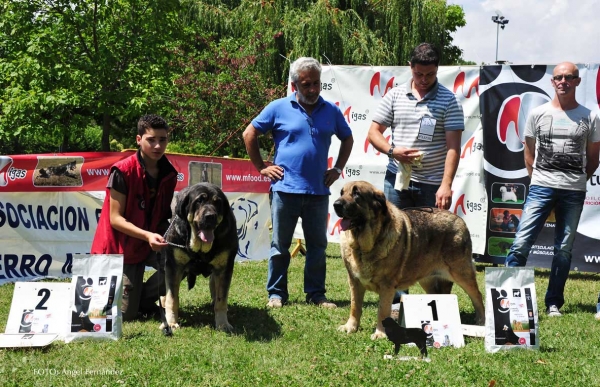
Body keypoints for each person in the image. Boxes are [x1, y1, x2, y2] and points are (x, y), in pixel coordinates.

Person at [243, 57, 354, 309]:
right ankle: (276, 294)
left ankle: (316, 294)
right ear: (295, 85)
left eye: (317, 83)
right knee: (280, 245)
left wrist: (337, 168)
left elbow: (347, 139)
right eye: (306, 85)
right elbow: (249, 133)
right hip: (285, 190)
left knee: (317, 246)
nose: (313, 89)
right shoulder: (278, 107)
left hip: (317, 191)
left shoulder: (331, 111)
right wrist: (262, 166)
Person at [367, 42, 465, 298]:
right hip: (396, 182)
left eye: (430, 74)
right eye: (418, 74)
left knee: (433, 245)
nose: (423, 79)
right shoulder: (395, 95)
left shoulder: (448, 100)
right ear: (410, 68)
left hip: (432, 185)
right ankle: (399, 302)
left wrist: (445, 185)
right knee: (393, 242)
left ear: (437, 70)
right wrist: (392, 151)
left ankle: (440, 303)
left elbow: (454, 147)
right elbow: (373, 133)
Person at [504, 62, 600, 317]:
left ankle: (553, 302)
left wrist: (577, 180)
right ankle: (507, 299)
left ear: (578, 81)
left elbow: (593, 158)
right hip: (540, 188)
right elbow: (528, 154)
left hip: (573, 191)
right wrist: (538, 180)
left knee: (564, 249)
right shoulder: (537, 114)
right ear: (552, 81)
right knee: (521, 242)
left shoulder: (590, 116)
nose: (563, 81)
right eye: (558, 77)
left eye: (569, 77)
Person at [91, 114, 178, 321]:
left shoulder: (170, 174)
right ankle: (136, 300)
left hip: (147, 242)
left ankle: (144, 299)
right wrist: (148, 235)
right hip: (119, 248)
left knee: (178, 263)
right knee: (125, 316)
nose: (157, 146)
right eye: (151, 140)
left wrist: (172, 239)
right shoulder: (122, 171)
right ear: (139, 140)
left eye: (162, 140)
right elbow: (115, 219)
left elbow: (162, 216)